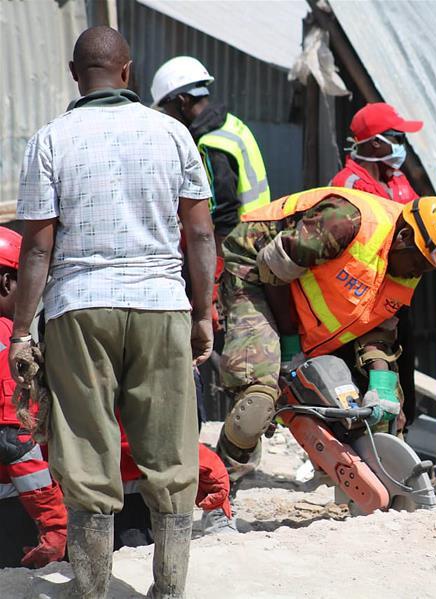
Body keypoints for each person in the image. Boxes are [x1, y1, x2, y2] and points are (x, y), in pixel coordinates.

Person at [12, 26, 215, 598]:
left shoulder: (51, 140)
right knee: (172, 453)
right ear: (127, 73)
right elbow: (199, 234)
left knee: (86, 450)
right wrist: (202, 312)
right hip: (160, 305)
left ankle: (92, 588)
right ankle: (169, 589)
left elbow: (37, 247)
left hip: (80, 308)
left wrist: (23, 330)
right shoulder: (173, 135)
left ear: (76, 75)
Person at [214, 188, 436, 487]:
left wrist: (381, 385)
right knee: (258, 399)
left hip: (297, 287)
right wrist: (291, 345)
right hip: (255, 266)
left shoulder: (409, 261)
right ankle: (220, 496)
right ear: (404, 238)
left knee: (386, 410)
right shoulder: (345, 221)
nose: (418, 274)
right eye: (420, 264)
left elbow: (378, 324)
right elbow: (273, 266)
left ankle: (379, 493)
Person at [331, 103, 425, 427]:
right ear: (375, 143)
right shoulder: (348, 186)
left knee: (403, 390)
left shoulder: (396, 180)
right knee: (365, 383)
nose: (402, 145)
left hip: (398, 300)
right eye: (396, 137)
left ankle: (398, 449)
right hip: (361, 304)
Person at [0, 228, 67, 570]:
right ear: (6, 283)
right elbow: (15, 442)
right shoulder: (6, 342)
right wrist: (55, 526)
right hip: (12, 511)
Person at [151, 56, 271, 246]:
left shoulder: (212, 145)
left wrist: (218, 267)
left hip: (237, 247)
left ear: (182, 101)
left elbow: (224, 216)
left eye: (167, 109)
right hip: (257, 234)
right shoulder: (231, 124)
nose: (168, 116)